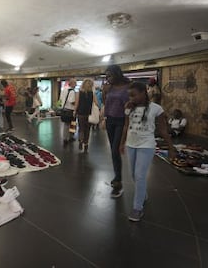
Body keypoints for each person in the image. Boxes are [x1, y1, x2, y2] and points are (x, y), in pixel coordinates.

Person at [119, 82, 176, 221]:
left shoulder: (156, 109)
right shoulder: (129, 108)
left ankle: (137, 208)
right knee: (133, 174)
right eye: (129, 96)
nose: (130, 98)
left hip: (147, 145)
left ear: (143, 93)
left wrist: (171, 148)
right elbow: (126, 126)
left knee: (139, 175)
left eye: (133, 95)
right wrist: (122, 143)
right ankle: (142, 193)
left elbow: (163, 130)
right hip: (131, 144)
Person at [102, 65, 131, 198]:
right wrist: (104, 92)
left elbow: (129, 107)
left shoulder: (128, 87)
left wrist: (126, 127)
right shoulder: (109, 87)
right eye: (106, 76)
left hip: (121, 120)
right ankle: (117, 177)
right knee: (114, 153)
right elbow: (105, 103)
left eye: (110, 76)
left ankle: (118, 181)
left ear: (117, 74)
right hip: (110, 121)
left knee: (115, 150)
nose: (108, 78)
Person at [75, 79, 99, 153]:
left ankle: (80, 141)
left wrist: (74, 111)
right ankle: (86, 145)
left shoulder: (79, 92)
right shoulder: (92, 93)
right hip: (89, 114)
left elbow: (77, 103)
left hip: (80, 113)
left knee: (81, 129)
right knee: (87, 130)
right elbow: (97, 103)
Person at [59, 78, 77, 145]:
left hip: (64, 109)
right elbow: (72, 101)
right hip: (70, 110)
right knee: (72, 124)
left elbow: (60, 100)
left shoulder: (64, 89)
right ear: (72, 83)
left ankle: (65, 138)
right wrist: (77, 104)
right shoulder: (72, 91)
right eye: (75, 83)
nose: (76, 85)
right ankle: (70, 137)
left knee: (66, 125)